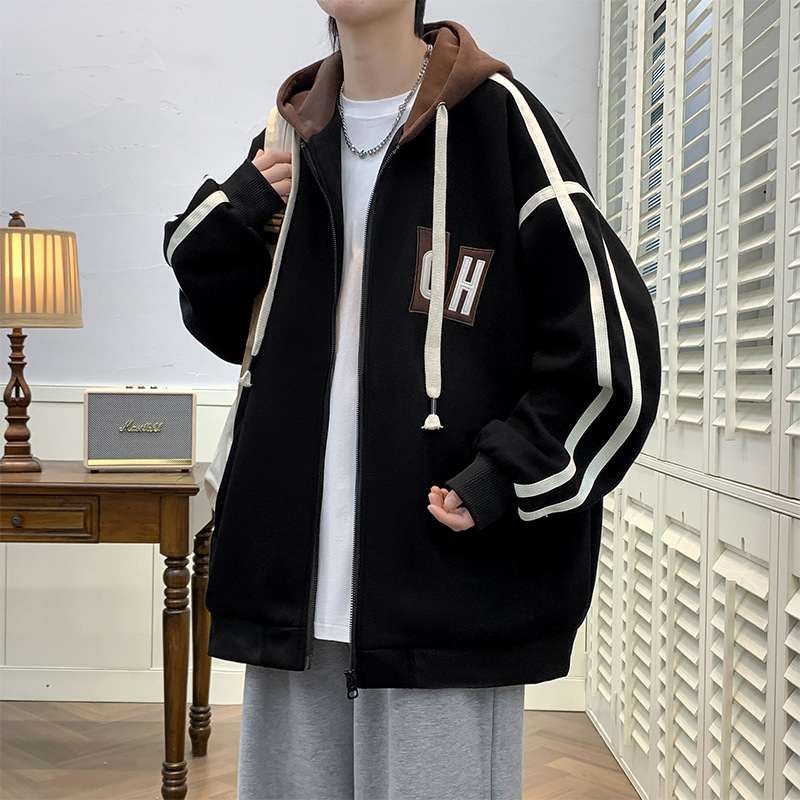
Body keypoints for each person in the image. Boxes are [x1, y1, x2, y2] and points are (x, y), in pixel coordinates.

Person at [164, 2, 660, 797]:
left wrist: (501, 476)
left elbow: (608, 350)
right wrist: (237, 210)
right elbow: (228, 326)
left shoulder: (500, 121)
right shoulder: (292, 134)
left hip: (443, 588)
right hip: (293, 589)